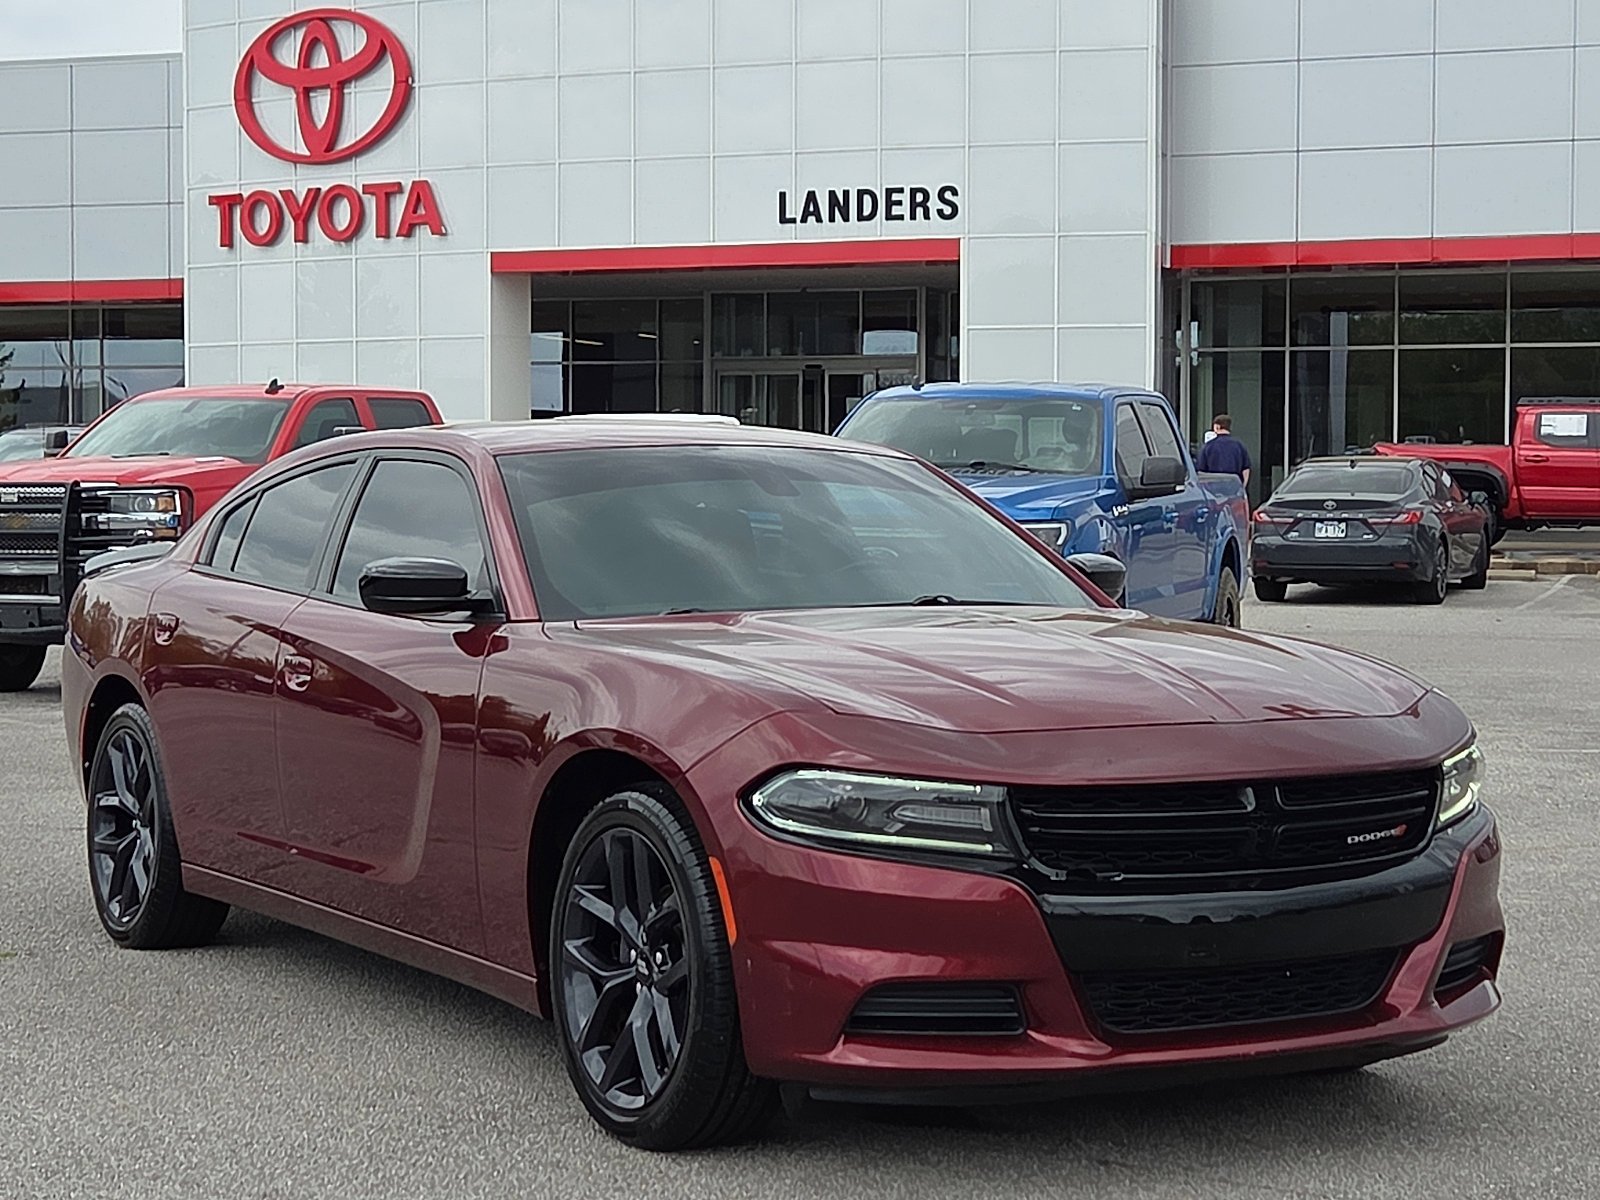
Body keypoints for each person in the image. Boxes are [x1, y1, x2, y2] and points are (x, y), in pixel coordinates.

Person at [1197, 413, 1251, 488]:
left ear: (1217, 427)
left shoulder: (1208, 447)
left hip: (1214, 491)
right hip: (1234, 489)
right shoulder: (1239, 445)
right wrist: (1242, 487)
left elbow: (1201, 472)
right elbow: (1246, 470)